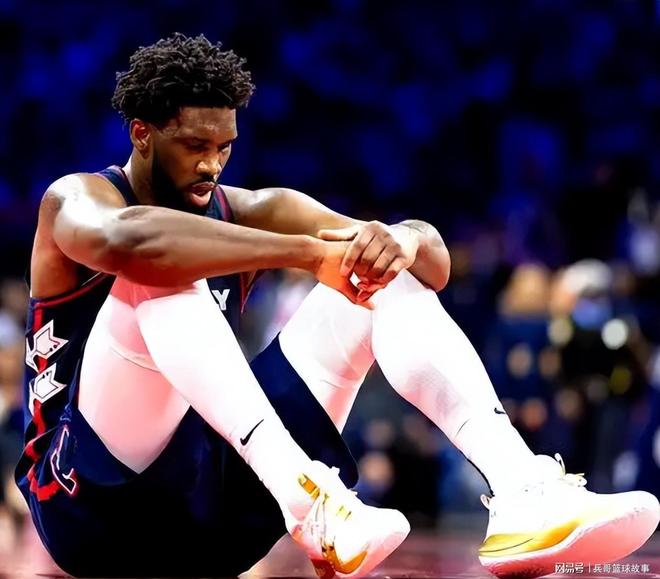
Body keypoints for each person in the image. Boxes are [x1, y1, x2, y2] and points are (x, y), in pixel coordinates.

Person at [15, 33, 659, 579]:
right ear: (142, 134)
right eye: (194, 146)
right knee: (156, 274)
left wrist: (403, 239)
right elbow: (128, 242)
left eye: (224, 147)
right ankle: (308, 495)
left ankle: (522, 489)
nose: (212, 164)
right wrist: (305, 252)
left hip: (215, 512)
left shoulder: (253, 207)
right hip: (89, 510)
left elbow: (432, 264)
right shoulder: (75, 199)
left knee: (375, 270)